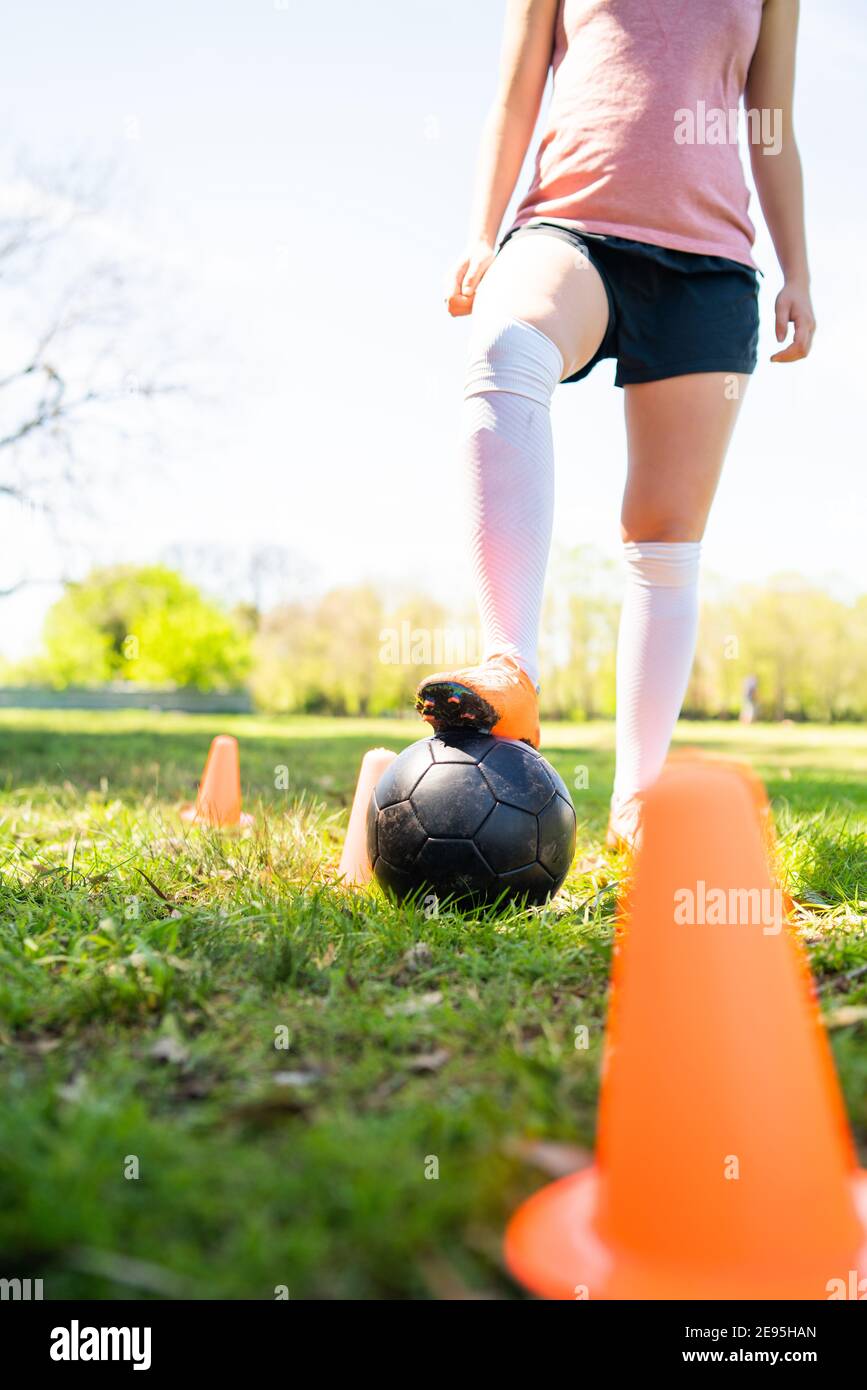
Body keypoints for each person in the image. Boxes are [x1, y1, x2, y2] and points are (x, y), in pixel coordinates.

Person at [415, 0, 814, 848]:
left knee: (663, 536)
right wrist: (482, 232)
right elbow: (516, 90)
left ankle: (636, 805)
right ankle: (510, 668)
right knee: (504, 349)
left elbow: (769, 118)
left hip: (710, 265)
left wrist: (797, 270)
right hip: (570, 228)